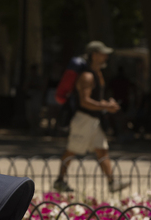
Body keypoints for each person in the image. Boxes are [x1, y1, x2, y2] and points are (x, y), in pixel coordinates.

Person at [53, 41, 130, 194]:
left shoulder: (98, 74)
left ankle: (112, 182)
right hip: (84, 119)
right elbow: (84, 102)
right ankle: (59, 181)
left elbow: (94, 99)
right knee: (71, 150)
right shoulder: (87, 76)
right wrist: (106, 106)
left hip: (94, 120)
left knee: (102, 151)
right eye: (103, 54)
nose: (106, 57)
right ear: (94, 55)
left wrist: (107, 103)